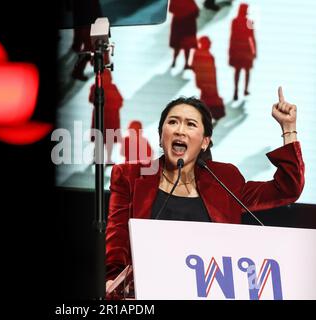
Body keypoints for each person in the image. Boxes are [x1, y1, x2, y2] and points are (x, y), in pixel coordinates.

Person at [105, 87, 304, 298]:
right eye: (173, 122)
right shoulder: (130, 175)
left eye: (191, 124)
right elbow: (116, 241)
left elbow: (287, 188)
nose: (180, 130)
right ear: (161, 136)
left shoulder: (225, 178)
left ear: (205, 142)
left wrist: (288, 127)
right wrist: (112, 283)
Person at [191, 36, 225, 121]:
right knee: (207, 99)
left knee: (205, 99)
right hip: (208, 82)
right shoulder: (207, 55)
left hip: (204, 82)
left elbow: (193, 66)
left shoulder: (198, 53)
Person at [229, 3, 257, 100]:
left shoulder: (235, 21)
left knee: (238, 71)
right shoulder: (249, 22)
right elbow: (252, 38)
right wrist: (254, 51)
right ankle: (244, 90)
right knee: (246, 71)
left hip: (238, 49)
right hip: (246, 49)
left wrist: (231, 51)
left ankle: (237, 91)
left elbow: (232, 37)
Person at [169, 0, 200, 69]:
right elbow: (195, 11)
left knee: (178, 44)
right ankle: (185, 63)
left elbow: (171, 9)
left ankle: (174, 61)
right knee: (187, 45)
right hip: (188, 24)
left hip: (178, 24)